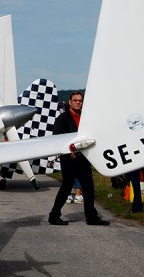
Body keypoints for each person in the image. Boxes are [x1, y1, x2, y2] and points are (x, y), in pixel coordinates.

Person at [47, 91, 109, 226]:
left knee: (89, 187)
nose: (78, 102)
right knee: (66, 187)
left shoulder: (85, 119)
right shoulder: (63, 118)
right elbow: (57, 138)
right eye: (75, 100)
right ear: (70, 102)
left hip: (84, 158)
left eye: (80, 101)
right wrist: (69, 152)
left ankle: (91, 217)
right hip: (69, 159)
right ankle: (54, 215)